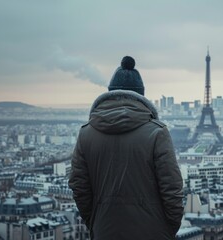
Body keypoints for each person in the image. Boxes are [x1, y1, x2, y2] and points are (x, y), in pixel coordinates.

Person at [68, 56, 184, 240]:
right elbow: (172, 189)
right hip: (152, 231)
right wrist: (167, 228)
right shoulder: (157, 133)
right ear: (141, 95)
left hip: (104, 230)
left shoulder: (86, 134)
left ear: (110, 93)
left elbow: (79, 187)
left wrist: (96, 221)